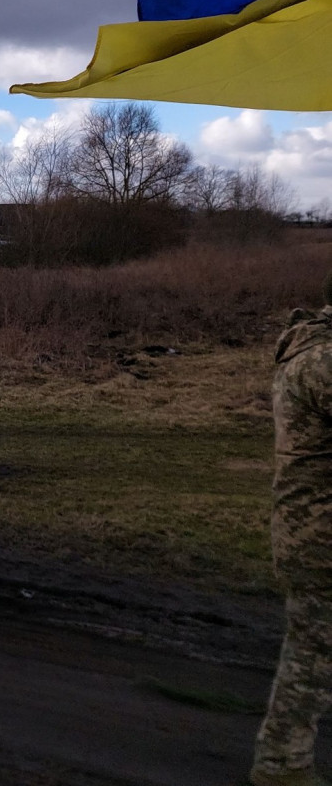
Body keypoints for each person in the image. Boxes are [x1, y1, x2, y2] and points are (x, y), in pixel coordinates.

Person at [248, 275, 332, 786]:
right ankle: (280, 766)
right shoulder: (321, 363)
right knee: (314, 653)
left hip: (313, 531)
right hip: (320, 538)